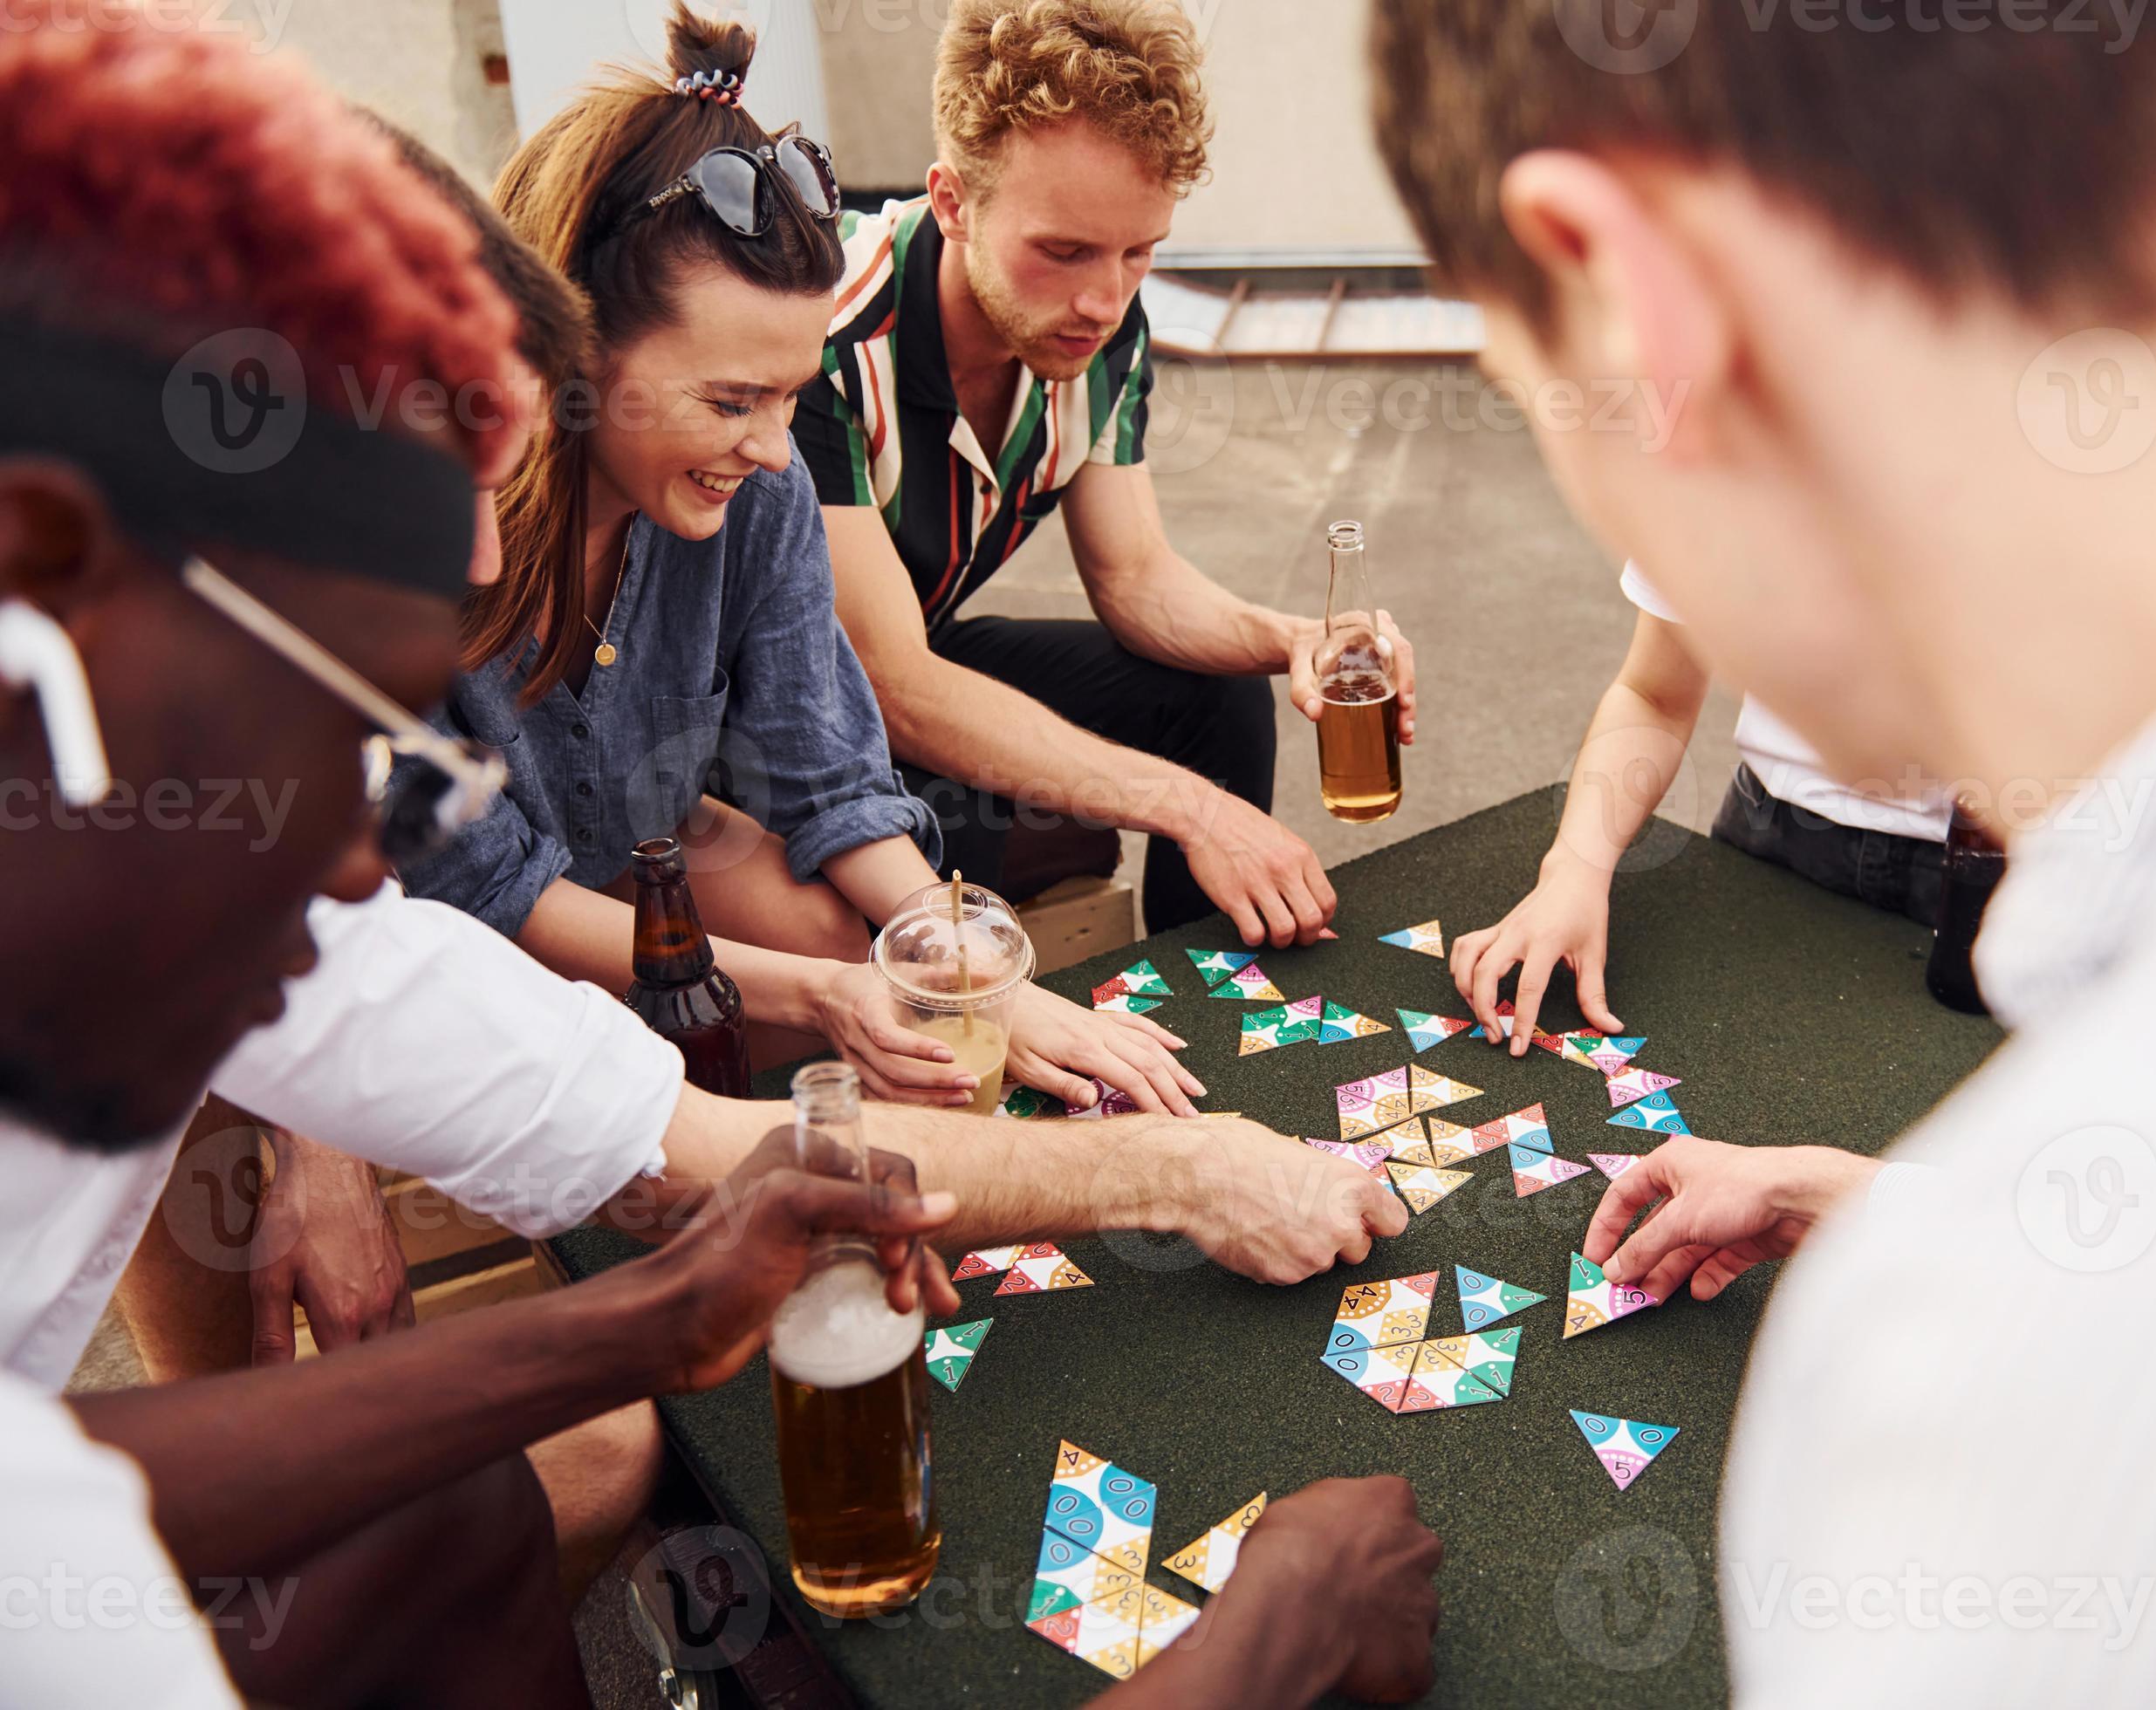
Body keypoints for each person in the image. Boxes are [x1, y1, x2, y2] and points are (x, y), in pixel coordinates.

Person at [0, 14, 1439, 1705]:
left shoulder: (228, 844)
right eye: (359, 689)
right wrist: (1265, 1639)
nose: (395, 809)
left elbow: (694, 1137)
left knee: (560, 1464)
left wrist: (637, 1318)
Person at [1371, 0, 2156, 1700]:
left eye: (1526, 387)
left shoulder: (1985, 1408)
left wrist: (1958, 1273)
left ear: (1644, 306)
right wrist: (1879, 1203)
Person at [400, 6, 1202, 1117]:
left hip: (648, 859)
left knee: (877, 960)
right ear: (570, 353)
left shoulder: (762, 486)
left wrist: (965, 973)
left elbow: (829, 778)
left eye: (790, 392)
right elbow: (484, 888)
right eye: (730, 399)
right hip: (420, 941)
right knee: (822, 987)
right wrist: (839, 991)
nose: (775, 448)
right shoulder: (420, 525)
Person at [792, 0, 1419, 948]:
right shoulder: (825, 347)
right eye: (1063, 251)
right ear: (953, 201)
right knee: (945, 792)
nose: (1104, 298)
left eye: (1139, 252)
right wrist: (1191, 809)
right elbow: (892, 689)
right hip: (769, 711)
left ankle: (1212, 1011)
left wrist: (1293, 638)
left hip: (906, 650)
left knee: (1219, 696)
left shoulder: (1101, 325)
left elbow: (1134, 580)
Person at [1452, 557, 1950, 1049]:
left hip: (1988, 866)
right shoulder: (1717, 476)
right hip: (1767, 830)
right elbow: (1655, 694)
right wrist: (1575, 868)